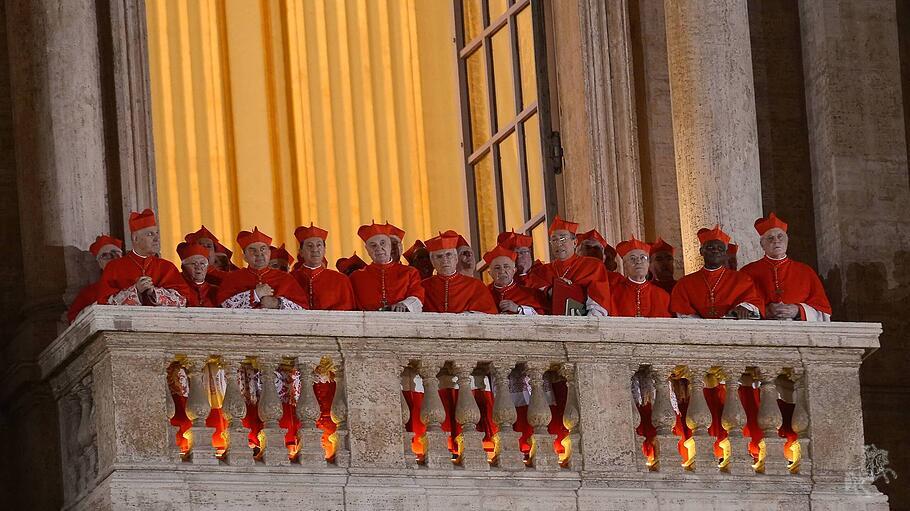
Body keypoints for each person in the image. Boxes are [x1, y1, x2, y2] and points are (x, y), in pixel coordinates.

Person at [741, 212, 832, 321]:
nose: (776, 241)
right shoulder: (747, 272)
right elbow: (738, 309)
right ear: (762, 245)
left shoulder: (805, 271)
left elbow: (823, 311)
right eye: (770, 238)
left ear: (787, 241)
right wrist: (764, 311)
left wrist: (798, 311)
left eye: (780, 236)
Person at [96, 209, 189, 307]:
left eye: (157, 233)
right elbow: (104, 303)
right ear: (135, 238)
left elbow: (183, 299)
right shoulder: (114, 267)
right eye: (150, 234)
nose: (157, 238)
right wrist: (136, 291)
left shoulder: (167, 267)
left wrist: (154, 293)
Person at [669, 225, 763, 319]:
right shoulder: (684, 283)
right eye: (710, 248)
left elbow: (753, 300)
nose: (715, 251)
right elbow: (683, 312)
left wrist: (744, 307)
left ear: (725, 253)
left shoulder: (742, 279)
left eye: (720, 248)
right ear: (701, 251)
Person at [528, 216, 612, 316]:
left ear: (575, 242)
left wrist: (587, 326)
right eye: (554, 240)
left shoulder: (593, 266)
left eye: (563, 238)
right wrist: (551, 290)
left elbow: (598, 299)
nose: (558, 243)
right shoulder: (541, 272)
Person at [216, 227, 308, 309]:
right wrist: (255, 294)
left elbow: (302, 309)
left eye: (263, 249)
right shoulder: (233, 278)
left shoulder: (285, 278)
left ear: (269, 253)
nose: (259, 254)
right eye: (252, 250)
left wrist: (277, 303)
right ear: (244, 257)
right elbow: (224, 306)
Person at [349, 222, 424, 311]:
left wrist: (404, 304)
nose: (379, 248)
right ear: (367, 250)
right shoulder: (356, 277)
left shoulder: (410, 272)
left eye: (382, 243)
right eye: (373, 245)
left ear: (390, 245)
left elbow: (417, 296)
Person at [421, 232, 497, 314]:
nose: (444, 260)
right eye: (439, 256)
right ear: (432, 262)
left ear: (456, 258)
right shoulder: (423, 286)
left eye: (448, 254)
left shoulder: (475, 285)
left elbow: (489, 314)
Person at [291, 224, 356, 311]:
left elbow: (348, 312)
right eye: (309, 246)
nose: (315, 250)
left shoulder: (341, 280)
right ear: (301, 252)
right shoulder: (290, 278)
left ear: (325, 250)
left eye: (319, 245)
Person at [67, 235, 124, 323]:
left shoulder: (134, 281)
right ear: (99, 263)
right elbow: (74, 320)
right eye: (105, 256)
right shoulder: (89, 292)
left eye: (116, 253)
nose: (112, 259)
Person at [611, 238, 671, 317]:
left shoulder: (662, 295)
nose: (638, 261)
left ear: (648, 263)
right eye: (632, 258)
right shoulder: (614, 293)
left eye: (643, 257)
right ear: (625, 265)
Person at [483, 244, 547, 315]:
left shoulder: (531, 293)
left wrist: (518, 308)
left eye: (506, 267)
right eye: (497, 268)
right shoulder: (483, 294)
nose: (502, 271)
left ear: (514, 271)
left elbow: (542, 316)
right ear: (490, 273)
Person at [177, 242, 218, 307]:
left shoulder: (216, 291)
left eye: (202, 264)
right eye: (193, 263)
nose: (198, 267)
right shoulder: (177, 289)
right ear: (183, 267)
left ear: (207, 267)